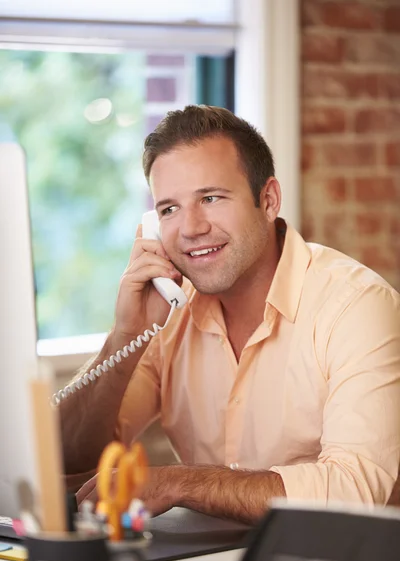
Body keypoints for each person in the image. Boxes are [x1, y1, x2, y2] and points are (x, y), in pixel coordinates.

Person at [60, 105, 400, 525]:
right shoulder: (167, 313)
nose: (190, 228)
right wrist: (126, 335)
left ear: (268, 199)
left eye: (210, 198)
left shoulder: (356, 305)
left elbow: (354, 492)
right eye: (169, 209)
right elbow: (68, 460)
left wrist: (181, 483)